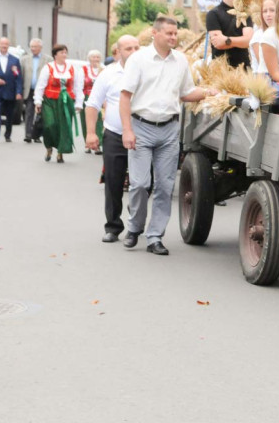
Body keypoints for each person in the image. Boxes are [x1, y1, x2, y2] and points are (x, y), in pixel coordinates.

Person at [119, 16, 218, 256]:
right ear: (155, 33)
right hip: (141, 127)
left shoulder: (181, 61)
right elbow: (125, 96)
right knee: (140, 184)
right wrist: (127, 130)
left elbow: (186, 93)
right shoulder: (138, 59)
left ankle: (155, 236)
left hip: (169, 130)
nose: (174, 37)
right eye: (169, 33)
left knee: (165, 186)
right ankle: (134, 227)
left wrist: (208, 92)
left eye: (175, 34)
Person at [85, 35, 140, 243]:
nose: (133, 52)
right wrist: (91, 133)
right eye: (128, 48)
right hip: (115, 134)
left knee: (142, 183)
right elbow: (93, 104)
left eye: (137, 47)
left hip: (142, 135)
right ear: (118, 52)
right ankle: (113, 226)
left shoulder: (148, 72)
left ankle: (135, 220)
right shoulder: (108, 74)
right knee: (114, 181)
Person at [34, 44, 84, 163]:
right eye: (62, 52)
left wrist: (79, 103)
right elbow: (40, 86)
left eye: (65, 52)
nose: (64, 55)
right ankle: (49, 147)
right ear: (55, 55)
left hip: (66, 102)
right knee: (49, 125)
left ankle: (60, 152)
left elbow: (77, 87)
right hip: (49, 101)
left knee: (64, 127)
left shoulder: (72, 68)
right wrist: (38, 102)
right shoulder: (48, 68)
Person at [206, 0, 255, 69]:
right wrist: (239, 41)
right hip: (220, 71)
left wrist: (227, 40)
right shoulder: (213, 14)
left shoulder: (245, 13)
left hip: (244, 70)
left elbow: (248, 41)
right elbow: (219, 44)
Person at [21, 38, 48, 143]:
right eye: (31, 46)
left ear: (40, 47)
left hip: (43, 91)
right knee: (28, 113)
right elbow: (21, 76)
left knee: (41, 114)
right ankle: (28, 134)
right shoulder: (24, 59)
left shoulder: (48, 60)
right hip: (29, 90)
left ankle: (37, 135)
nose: (33, 49)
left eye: (35, 47)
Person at [80, 50, 104, 153]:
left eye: (97, 57)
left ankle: (97, 144)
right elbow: (79, 86)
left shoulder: (104, 69)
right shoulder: (83, 70)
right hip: (86, 97)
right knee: (86, 121)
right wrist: (79, 100)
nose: (95, 59)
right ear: (89, 58)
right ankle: (89, 142)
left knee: (99, 121)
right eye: (93, 57)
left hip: (100, 98)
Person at [249, 0, 277, 74]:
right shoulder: (258, 36)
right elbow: (264, 65)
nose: (268, 14)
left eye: (272, 10)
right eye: (265, 11)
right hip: (263, 78)